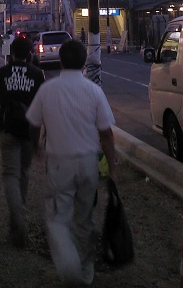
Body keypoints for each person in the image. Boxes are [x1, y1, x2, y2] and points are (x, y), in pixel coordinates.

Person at [26, 39, 117, 286]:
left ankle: (69, 268)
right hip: (88, 163)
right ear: (84, 61)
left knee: (58, 218)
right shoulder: (93, 91)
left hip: (59, 162)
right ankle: (86, 271)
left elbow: (34, 123)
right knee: (84, 219)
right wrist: (112, 167)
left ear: (61, 60)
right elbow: (106, 133)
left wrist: (36, 148)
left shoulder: (48, 89)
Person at [0, 36, 45, 247]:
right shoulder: (37, 74)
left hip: (8, 129)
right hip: (29, 131)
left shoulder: (2, 73)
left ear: (11, 53)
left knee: (10, 174)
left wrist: (0, 121)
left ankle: (18, 221)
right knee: (23, 172)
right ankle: (19, 214)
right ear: (30, 53)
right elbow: (40, 107)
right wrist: (38, 139)